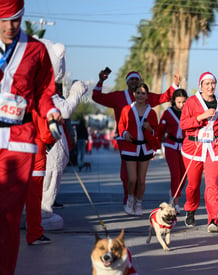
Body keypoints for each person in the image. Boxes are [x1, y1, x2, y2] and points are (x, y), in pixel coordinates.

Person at [0, 1, 62, 273]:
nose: (10, 26)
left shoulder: (36, 50)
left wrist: (50, 113)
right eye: (3, 20)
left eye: (15, 19)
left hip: (18, 140)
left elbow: (44, 93)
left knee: (9, 217)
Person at [93, 70, 181, 206]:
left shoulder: (146, 96)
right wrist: (100, 82)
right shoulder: (118, 96)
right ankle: (128, 198)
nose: (134, 82)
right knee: (126, 173)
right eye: (131, 80)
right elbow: (97, 97)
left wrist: (175, 85)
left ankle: (137, 200)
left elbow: (163, 97)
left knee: (141, 176)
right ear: (127, 82)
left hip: (144, 141)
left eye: (136, 80)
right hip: (125, 139)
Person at [41, 39, 88, 231]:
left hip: (50, 147)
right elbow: (64, 111)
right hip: (48, 147)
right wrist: (77, 92)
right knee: (48, 179)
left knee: (49, 178)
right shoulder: (44, 91)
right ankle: (42, 215)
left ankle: (41, 213)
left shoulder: (47, 90)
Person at [180, 72, 218, 233]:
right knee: (193, 185)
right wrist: (200, 117)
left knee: (213, 184)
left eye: (213, 83)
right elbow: (183, 124)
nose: (210, 86)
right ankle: (190, 208)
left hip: (214, 147)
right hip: (193, 148)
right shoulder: (191, 102)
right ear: (201, 85)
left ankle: (213, 219)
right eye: (207, 84)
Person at [118, 83, 160, 216]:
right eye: (138, 92)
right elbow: (121, 126)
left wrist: (149, 128)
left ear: (147, 96)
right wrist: (125, 134)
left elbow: (156, 132)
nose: (140, 95)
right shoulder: (126, 109)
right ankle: (130, 200)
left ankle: (139, 204)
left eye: (143, 93)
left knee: (142, 179)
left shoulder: (151, 112)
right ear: (134, 94)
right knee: (132, 179)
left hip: (145, 148)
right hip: (130, 148)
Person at [25, 111, 56, 246]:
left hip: (13, 153)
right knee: (34, 199)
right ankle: (34, 233)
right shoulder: (40, 106)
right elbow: (47, 135)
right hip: (35, 156)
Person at [158, 88, 188, 214]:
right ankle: (175, 202)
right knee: (175, 174)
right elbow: (160, 130)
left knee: (184, 176)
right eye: (179, 102)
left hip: (185, 147)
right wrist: (156, 146)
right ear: (174, 101)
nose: (181, 105)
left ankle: (174, 192)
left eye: (183, 102)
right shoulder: (168, 112)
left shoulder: (189, 112)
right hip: (170, 146)